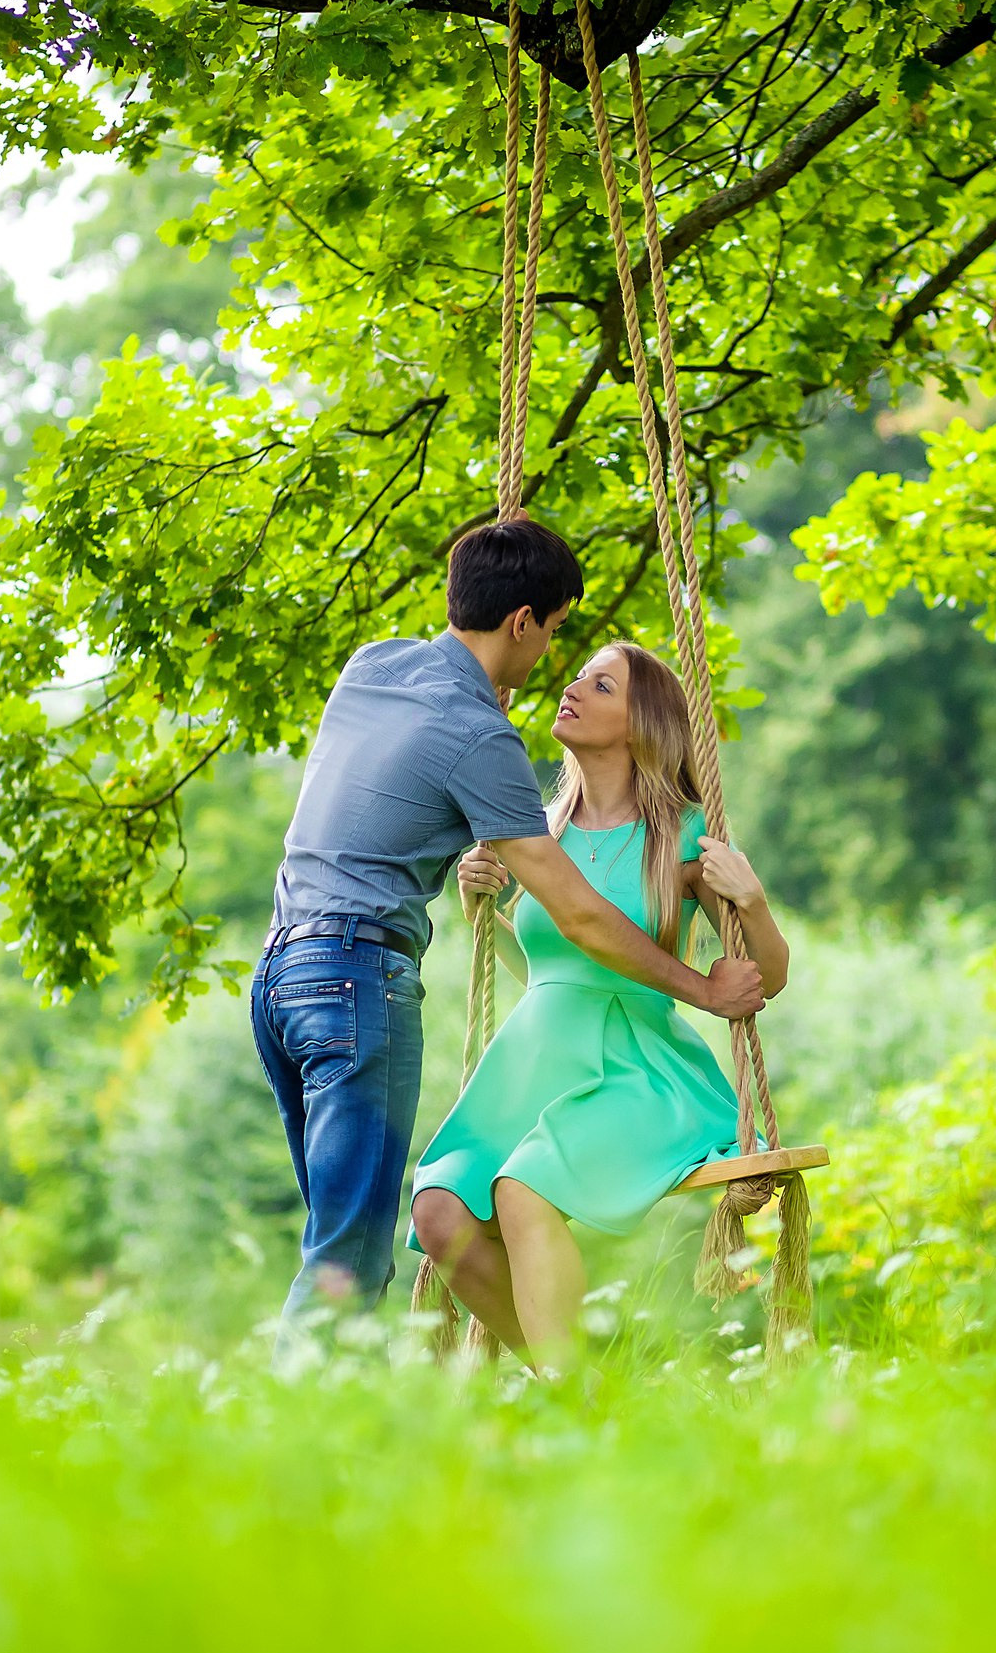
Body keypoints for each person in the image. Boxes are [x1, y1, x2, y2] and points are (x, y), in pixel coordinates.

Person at [254, 519, 766, 1317]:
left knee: (343, 1237)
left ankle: (573, 1395)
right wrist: (705, 990)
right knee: (351, 1255)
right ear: (522, 621)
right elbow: (579, 917)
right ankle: (299, 1434)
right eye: (554, 633)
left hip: (281, 977)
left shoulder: (372, 666)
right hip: (357, 981)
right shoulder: (484, 740)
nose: (552, 665)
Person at [411, 641, 791, 1371]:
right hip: (537, 1057)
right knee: (440, 1211)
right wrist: (477, 907)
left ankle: (570, 1404)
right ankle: (589, 1382)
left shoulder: (681, 833)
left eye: (601, 683)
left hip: (632, 1064)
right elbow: (549, 967)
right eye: (578, 674)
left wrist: (753, 900)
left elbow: (763, 979)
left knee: (522, 1189)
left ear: (639, 722)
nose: (573, 687)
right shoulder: (536, 828)